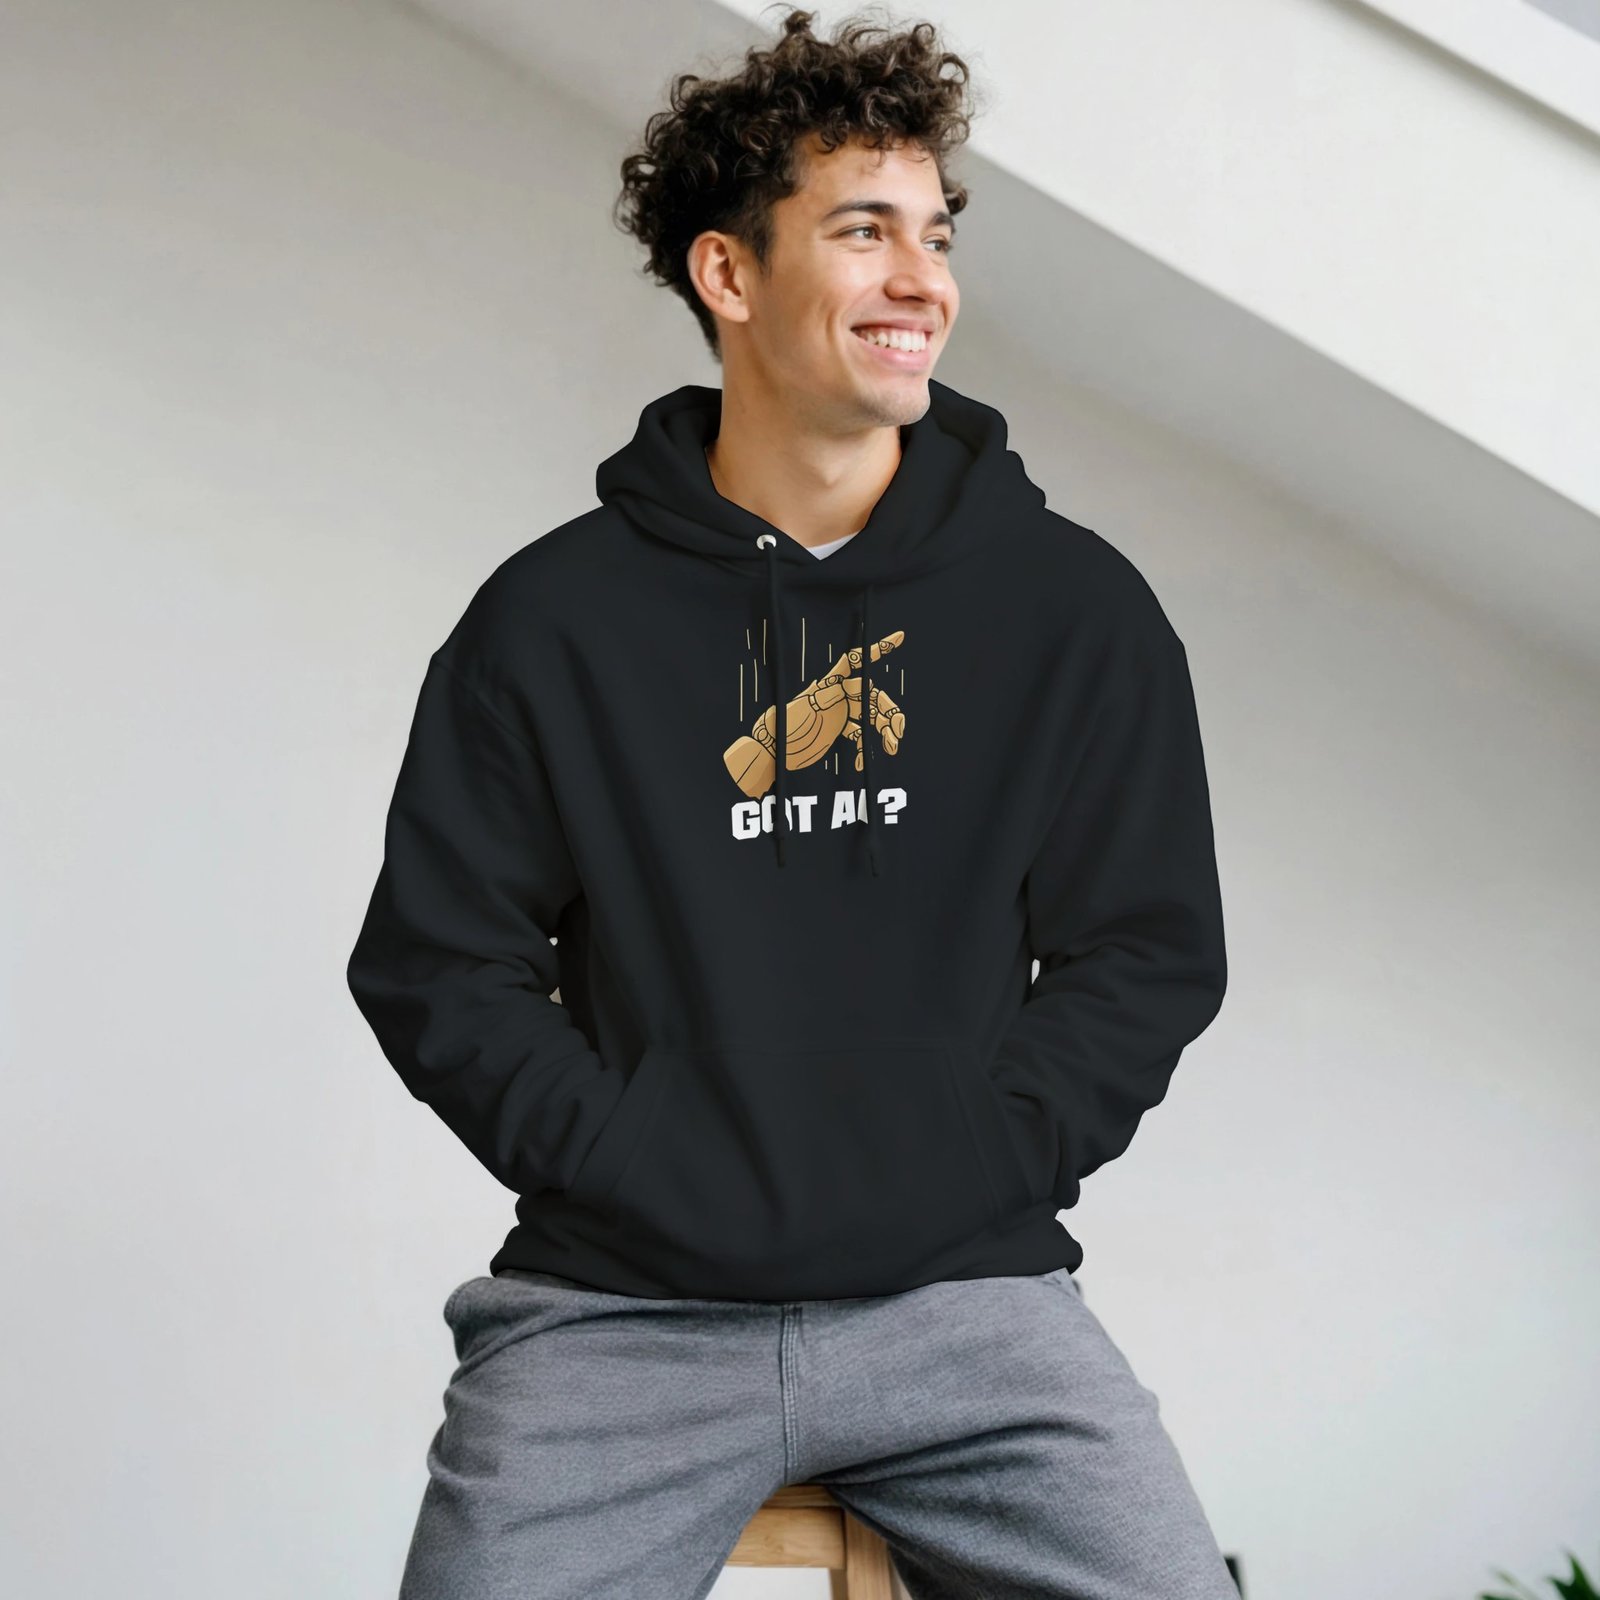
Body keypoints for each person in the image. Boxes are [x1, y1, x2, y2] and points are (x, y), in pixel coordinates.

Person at [346, 9, 1236, 1598]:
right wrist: (625, 1156)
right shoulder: (552, 622)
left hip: (964, 1305)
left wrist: (986, 1152)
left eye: (935, 235)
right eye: (863, 230)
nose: (922, 280)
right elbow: (437, 960)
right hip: (621, 1312)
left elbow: (1147, 949)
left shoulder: (1072, 610)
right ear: (730, 273)